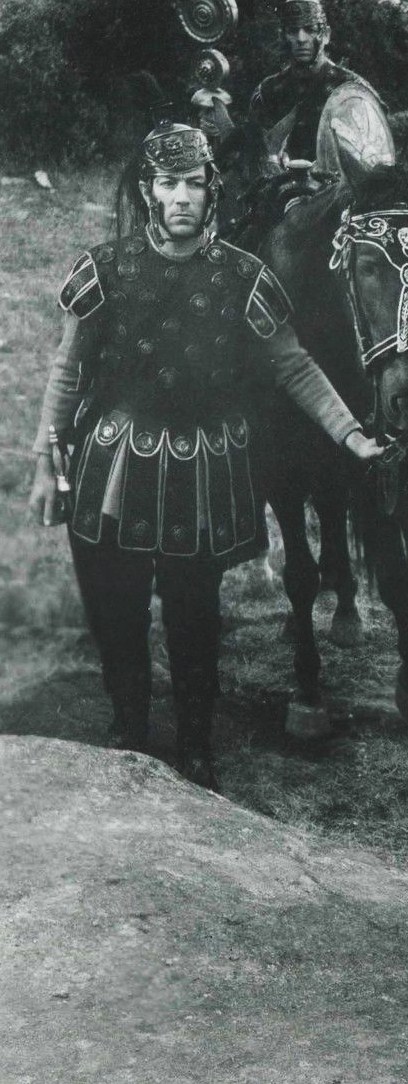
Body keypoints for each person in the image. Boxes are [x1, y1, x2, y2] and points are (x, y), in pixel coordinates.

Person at [27, 121, 382, 791]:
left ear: (211, 190)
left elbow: (294, 366)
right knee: (117, 613)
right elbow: (67, 370)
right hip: (113, 469)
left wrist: (351, 434)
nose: (182, 196)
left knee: (195, 618)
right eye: (169, 183)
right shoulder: (103, 269)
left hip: (203, 477)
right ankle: (129, 730)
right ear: (148, 191)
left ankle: (194, 745)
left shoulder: (244, 278)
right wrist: (46, 457)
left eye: (194, 183)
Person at [249, 0, 393, 174]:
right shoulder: (267, 91)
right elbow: (256, 157)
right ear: (283, 36)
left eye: (310, 30)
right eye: (293, 31)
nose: (301, 39)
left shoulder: (352, 90)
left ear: (326, 35)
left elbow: (377, 158)